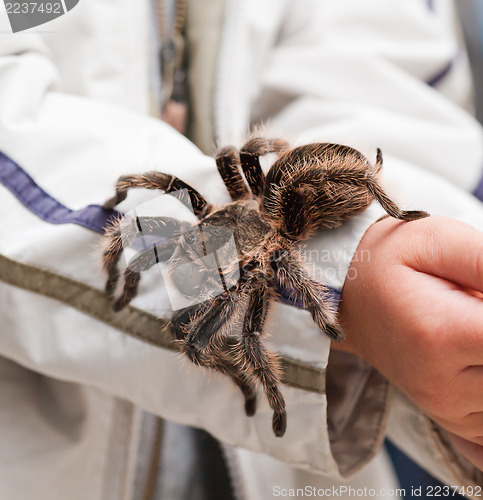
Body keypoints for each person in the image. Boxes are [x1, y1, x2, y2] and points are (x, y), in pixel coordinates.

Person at [0, 0, 482, 499]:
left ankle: (265, 390)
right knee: (190, 318)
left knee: (228, 333)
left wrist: (331, 311)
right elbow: (222, 161)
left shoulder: (266, 252)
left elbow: (279, 303)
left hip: (280, 473)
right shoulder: (221, 211)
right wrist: (120, 253)